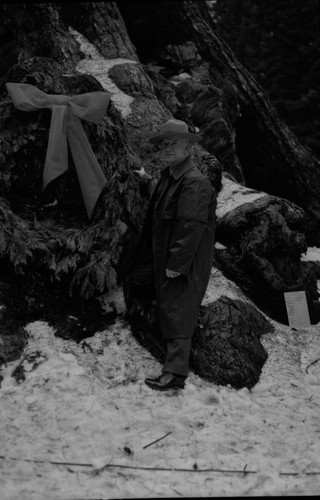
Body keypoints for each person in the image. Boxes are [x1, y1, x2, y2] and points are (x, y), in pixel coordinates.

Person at [123, 119, 217, 391]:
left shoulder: (195, 182)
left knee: (179, 310)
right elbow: (164, 197)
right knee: (136, 277)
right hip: (162, 254)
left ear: (187, 146)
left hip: (182, 261)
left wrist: (177, 264)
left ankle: (175, 373)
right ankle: (146, 315)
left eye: (173, 143)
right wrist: (145, 180)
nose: (166, 149)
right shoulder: (170, 175)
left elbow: (190, 227)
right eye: (163, 144)